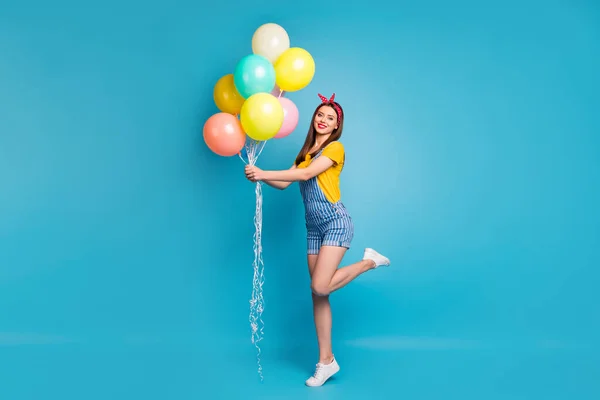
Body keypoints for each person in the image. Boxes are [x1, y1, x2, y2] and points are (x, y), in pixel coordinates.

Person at [244, 93, 391, 387]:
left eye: (330, 118)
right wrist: (259, 177)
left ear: (337, 126)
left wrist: (264, 171)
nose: (323, 120)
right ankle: (326, 361)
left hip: (335, 222)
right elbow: (286, 182)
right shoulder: (305, 153)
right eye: (320, 115)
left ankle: (369, 261)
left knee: (320, 284)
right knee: (319, 295)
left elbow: (308, 174)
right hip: (313, 228)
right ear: (314, 118)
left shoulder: (335, 149)